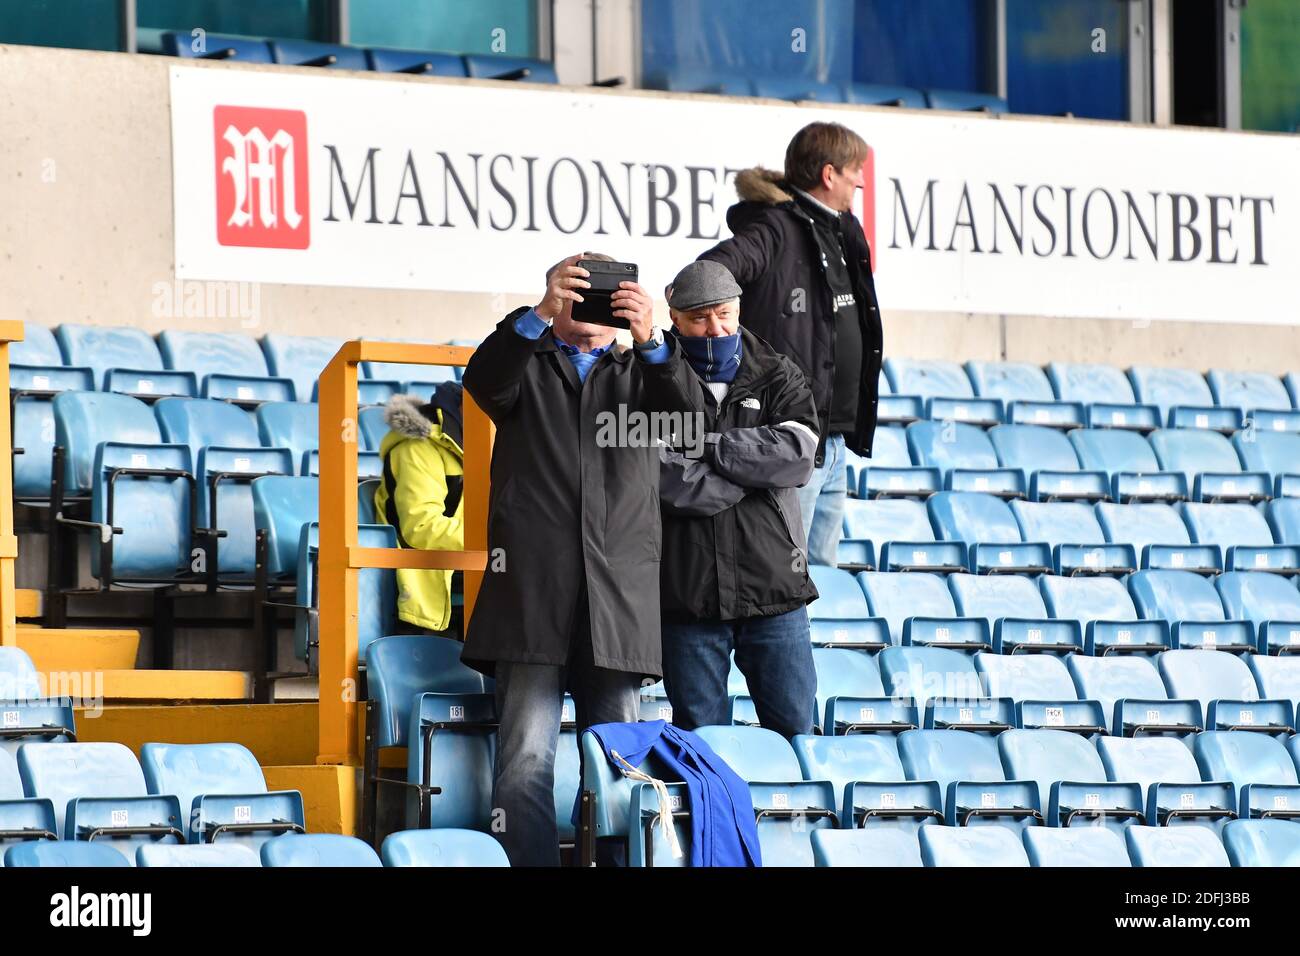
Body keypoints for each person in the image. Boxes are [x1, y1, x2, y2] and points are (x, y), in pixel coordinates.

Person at [460, 252, 702, 867]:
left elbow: (692, 424)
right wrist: (539, 313)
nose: (592, 306)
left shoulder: (644, 372)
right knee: (524, 764)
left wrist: (651, 340)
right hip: (531, 599)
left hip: (615, 602)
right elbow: (483, 380)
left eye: (606, 295)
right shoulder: (526, 361)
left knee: (622, 767)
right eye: (577, 292)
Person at [699, 121, 883, 567]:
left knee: (824, 583)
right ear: (828, 174)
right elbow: (709, 274)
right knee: (784, 578)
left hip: (835, 443)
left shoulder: (843, 230)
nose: (861, 180)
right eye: (855, 170)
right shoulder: (774, 229)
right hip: (793, 441)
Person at [656, 259, 820, 741]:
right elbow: (662, 477)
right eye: (700, 319)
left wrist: (709, 447)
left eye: (725, 314)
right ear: (675, 319)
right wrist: (755, 469)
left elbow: (797, 458)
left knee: (796, 735)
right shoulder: (649, 375)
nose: (715, 328)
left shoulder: (777, 372)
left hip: (775, 589)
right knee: (701, 744)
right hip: (688, 596)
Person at [372, 381, 465, 635]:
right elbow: (421, 527)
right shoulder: (417, 448)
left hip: (477, 563)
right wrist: (501, 540)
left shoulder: (494, 443)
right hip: (430, 570)